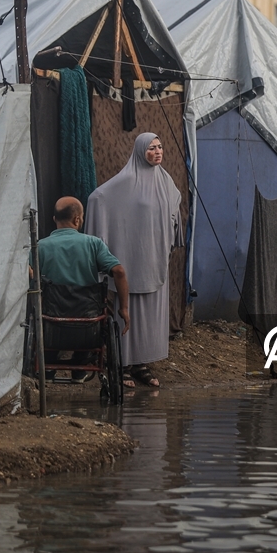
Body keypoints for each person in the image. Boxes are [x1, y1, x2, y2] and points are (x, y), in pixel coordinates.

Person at [85, 133, 182, 388]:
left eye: (160, 147)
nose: (158, 151)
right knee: (126, 311)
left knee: (149, 314)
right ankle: (122, 364)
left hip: (154, 257)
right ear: (140, 151)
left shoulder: (165, 181)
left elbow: (174, 208)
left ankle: (142, 365)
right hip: (130, 256)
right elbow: (98, 198)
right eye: (151, 148)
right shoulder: (126, 180)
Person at [35, 196, 130, 382]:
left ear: (54, 219)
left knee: (45, 316)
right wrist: (124, 309)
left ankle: (48, 366)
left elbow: (27, 272)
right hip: (87, 325)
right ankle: (81, 367)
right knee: (96, 317)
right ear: (77, 219)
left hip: (50, 324)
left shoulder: (40, 247)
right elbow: (118, 271)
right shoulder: (94, 244)